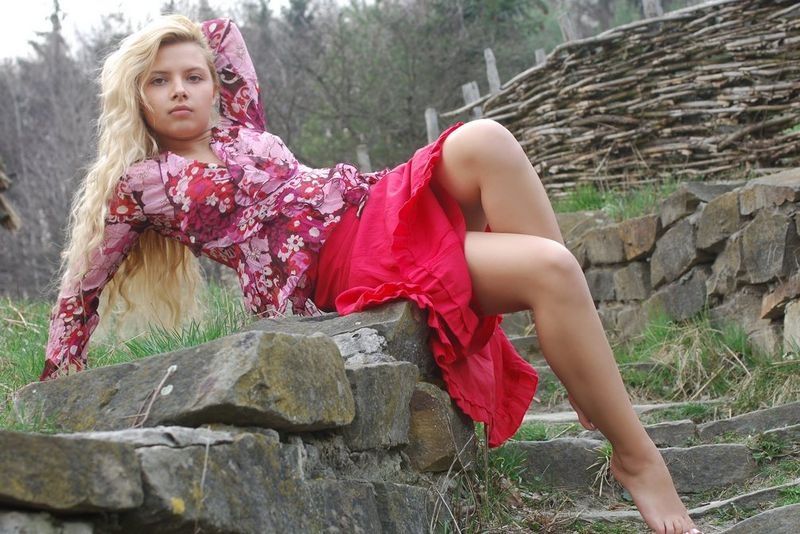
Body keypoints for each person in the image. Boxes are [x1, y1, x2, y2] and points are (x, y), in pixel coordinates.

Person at [38, 14, 701, 534]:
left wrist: (176, 42)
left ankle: (587, 374)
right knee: (550, 267)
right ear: (137, 96)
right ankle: (635, 453)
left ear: (215, 85)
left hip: (369, 200)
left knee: (486, 137)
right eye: (158, 81)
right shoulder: (140, 184)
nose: (179, 89)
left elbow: (223, 36)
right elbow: (80, 288)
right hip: (340, 264)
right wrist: (53, 389)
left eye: (192, 76)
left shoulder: (238, 124)